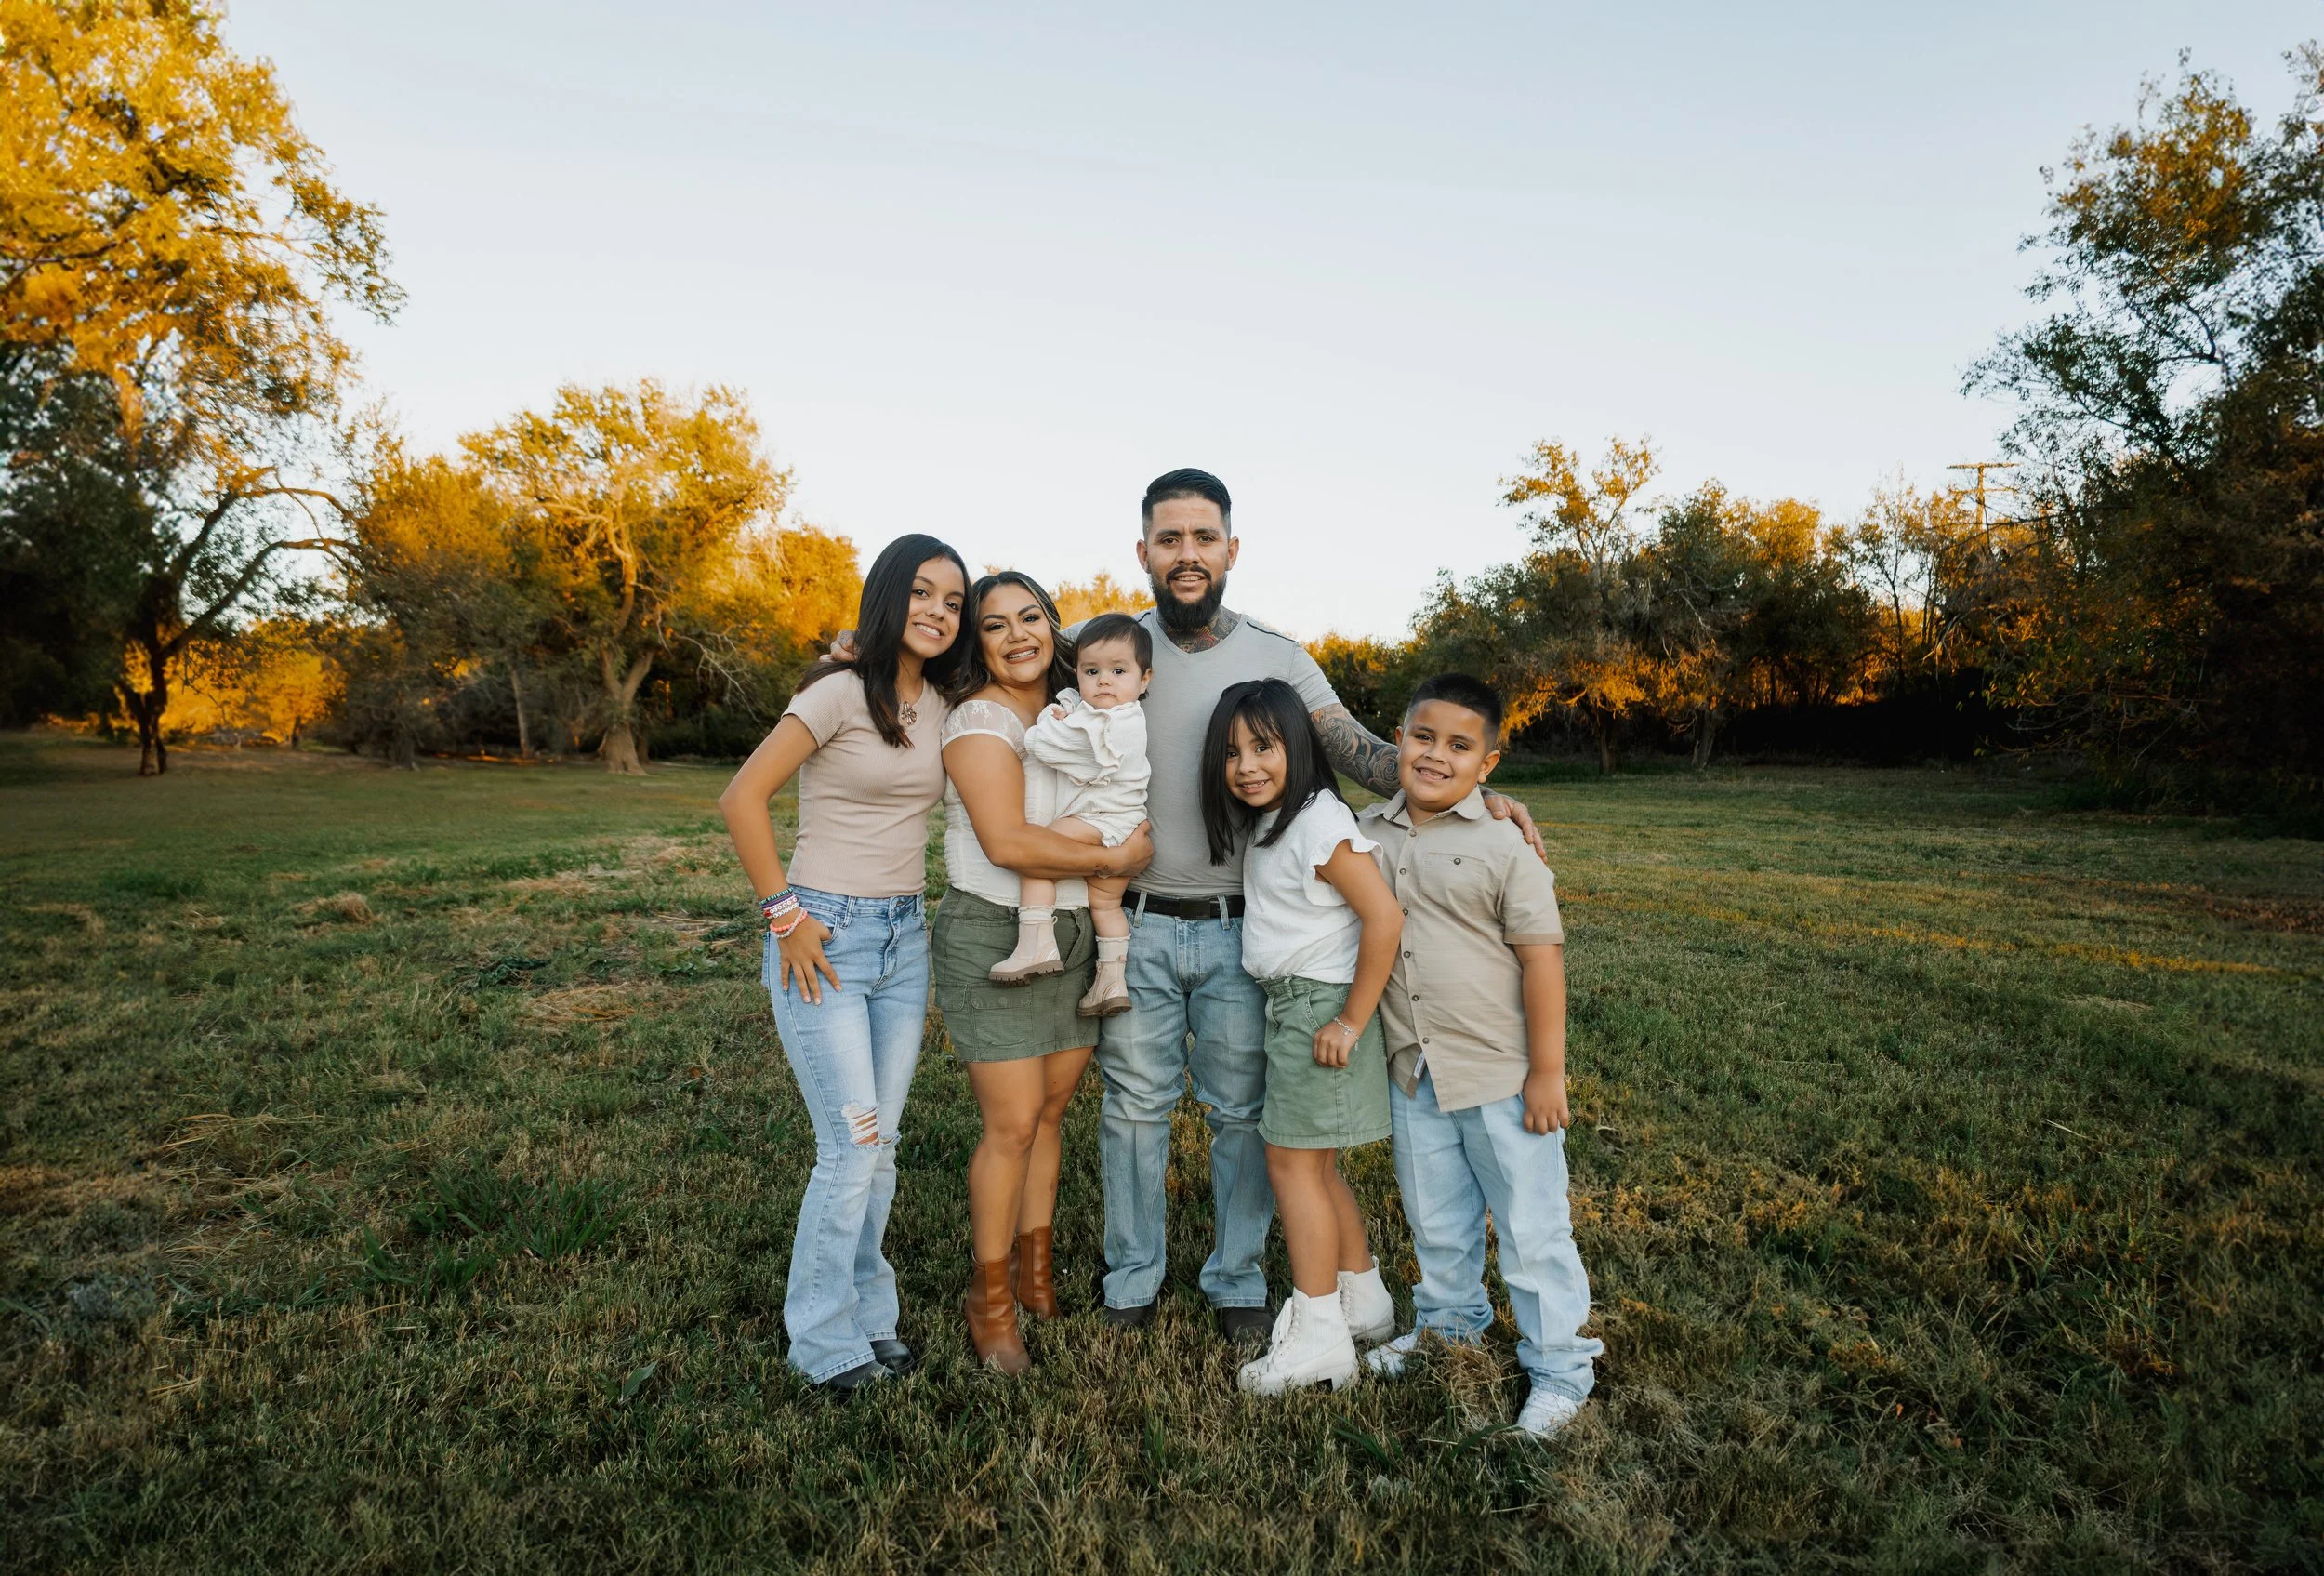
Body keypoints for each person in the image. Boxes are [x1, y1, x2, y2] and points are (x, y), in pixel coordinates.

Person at [1085, 468, 1547, 1345]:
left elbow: (1361, 750)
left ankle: (1236, 1278)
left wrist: (1477, 788)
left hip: (1240, 931)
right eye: (1170, 539)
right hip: (1133, 921)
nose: (1188, 555)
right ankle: (1132, 1278)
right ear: (1143, 549)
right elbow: (1003, 667)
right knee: (1134, 1110)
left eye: (1204, 538)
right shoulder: (1105, 645)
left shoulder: (1278, 656)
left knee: (1242, 1114)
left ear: (1230, 549)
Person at [716, 534, 969, 1395]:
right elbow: (741, 796)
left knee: (881, 1145)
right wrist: (785, 917)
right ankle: (823, 1343)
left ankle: (870, 1316)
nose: (938, 611)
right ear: (890, 596)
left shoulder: (940, 700)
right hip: (824, 934)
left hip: (905, 939)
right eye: (924, 593)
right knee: (849, 1146)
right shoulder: (833, 692)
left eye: (953, 600)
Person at [1356, 672, 1602, 1437]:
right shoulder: (1366, 830)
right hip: (1414, 1064)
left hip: (1500, 1071)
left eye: (1460, 746)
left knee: (1530, 1226)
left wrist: (1548, 1071)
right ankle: (1450, 1323)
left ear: (1488, 765)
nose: (1436, 755)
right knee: (1435, 1215)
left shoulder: (1505, 841)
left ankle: (1560, 1366)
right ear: (1397, 739)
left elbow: (1542, 959)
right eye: (1423, 737)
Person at [932, 572, 1154, 1373]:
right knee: (1013, 1122)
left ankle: (1034, 1271)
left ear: (1052, 625)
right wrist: (1116, 855)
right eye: (995, 624)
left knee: (1053, 1113)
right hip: (995, 927)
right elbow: (1009, 843)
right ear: (978, 641)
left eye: (1030, 616)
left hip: (1074, 931)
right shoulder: (979, 718)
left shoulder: (1082, 698)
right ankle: (987, 1299)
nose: (1017, 634)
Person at [1201, 679, 1403, 1393]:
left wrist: (1348, 1019)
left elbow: (1383, 917)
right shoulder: (1280, 821)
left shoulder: (1317, 821)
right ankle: (1365, 1303)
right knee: (1313, 1168)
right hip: (1294, 1004)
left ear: (1299, 746)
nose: (1247, 765)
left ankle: (1318, 1333)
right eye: (1231, 752)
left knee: (1290, 1168)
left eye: (1264, 746)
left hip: (1318, 1006)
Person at [987, 610, 1153, 1020]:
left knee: (1039, 855)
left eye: (1118, 670)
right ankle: (1110, 982)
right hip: (1124, 826)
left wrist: (1050, 716)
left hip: (1101, 820)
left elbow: (1043, 745)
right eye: (1091, 671)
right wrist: (1070, 707)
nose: (1104, 681)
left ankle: (1036, 942)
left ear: (1144, 679)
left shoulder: (1117, 726)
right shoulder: (1108, 716)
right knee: (1106, 906)